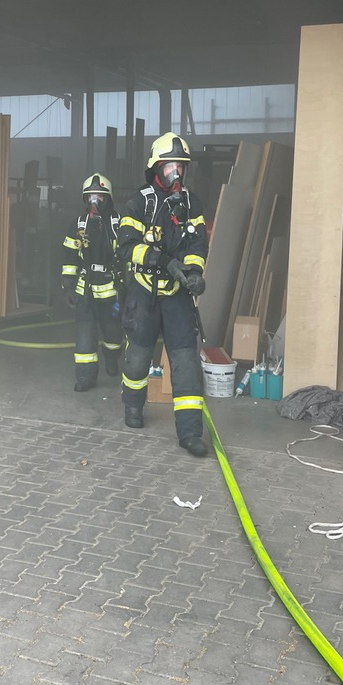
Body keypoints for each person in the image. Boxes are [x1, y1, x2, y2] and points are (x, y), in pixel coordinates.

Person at [116, 133, 210, 457]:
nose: (175, 173)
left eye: (180, 167)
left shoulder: (192, 204)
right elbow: (126, 246)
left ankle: (190, 433)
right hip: (144, 292)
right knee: (138, 357)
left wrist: (194, 273)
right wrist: (162, 260)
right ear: (156, 168)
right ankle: (132, 406)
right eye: (170, 166)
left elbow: (197, 244)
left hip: (177, 294)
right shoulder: (139, 202)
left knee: (185, 363)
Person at [60, 173, 124, 392]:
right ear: (85, 199)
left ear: (108, 198)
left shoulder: (118, 224)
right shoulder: (79, 224)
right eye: (90, 197)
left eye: (99, 197)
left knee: (113, 335)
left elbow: (127, 256)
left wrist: (127, 288)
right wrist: (68, 285)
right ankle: (85, 378)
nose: (94, 201)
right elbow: (69, 256)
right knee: (85, 338)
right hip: (85, 291)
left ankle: (112, 358)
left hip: (111, 292)